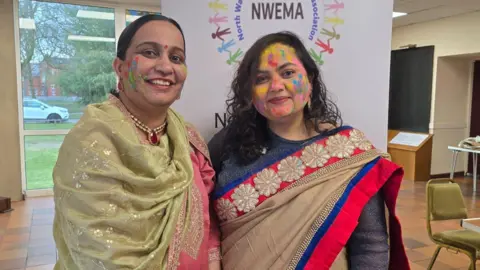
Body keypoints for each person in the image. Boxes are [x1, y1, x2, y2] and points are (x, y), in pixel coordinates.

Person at [208, 32, 410, 269]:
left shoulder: (346, 151)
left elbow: (370, 244)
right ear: (250, 91)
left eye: (287, 73)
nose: (276, 86)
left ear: (310, 79)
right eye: (262, 79)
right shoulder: (226, 144)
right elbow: (204, 231)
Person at [53, 15, 221, 270]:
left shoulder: (190, 140)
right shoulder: (91, 142)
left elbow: (209, 230)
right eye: (150, 52)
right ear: (119, 67)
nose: (166, 67)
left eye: (176, 58)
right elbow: (97, 255)